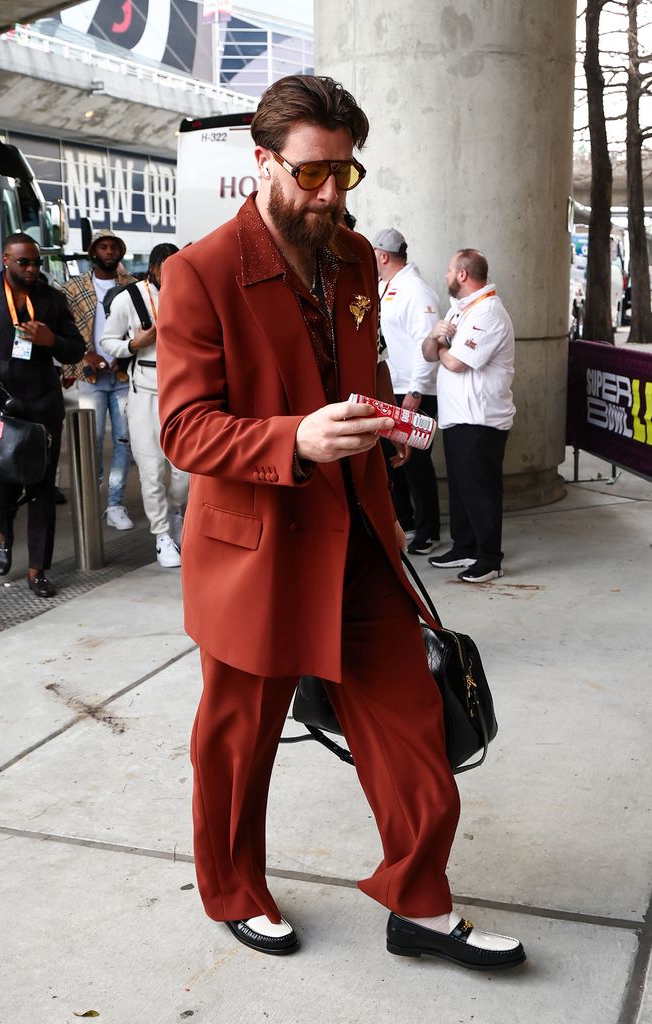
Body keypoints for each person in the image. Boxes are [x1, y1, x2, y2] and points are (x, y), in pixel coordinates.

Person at [157, 75, 524, 969]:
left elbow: (349, 381)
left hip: (359, 537)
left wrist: (381, 436)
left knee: (414, 726)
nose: (328, 195)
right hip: (257, 550)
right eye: (311, 175)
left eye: (344, 175)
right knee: (239, 742)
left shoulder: (357, 260)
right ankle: (234, 888)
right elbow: (183, 429)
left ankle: (418, 900)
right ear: (264, 164)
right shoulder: (199, 274)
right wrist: (297, 438)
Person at [0, 233, 85, 597]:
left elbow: (76, 349)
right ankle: (4, 535)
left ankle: (39, 569)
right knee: (2, 488)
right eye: (24, 262)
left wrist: (51, 340)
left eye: (36, 262)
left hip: (43, 407)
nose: (33, 268)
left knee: (42, 490)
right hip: (1, 406)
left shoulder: (52, 299)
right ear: (6, 259)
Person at [423, 249, 515, 583]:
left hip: (481, 420)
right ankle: (465, 546)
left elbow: (454, 362)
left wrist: (442, 343)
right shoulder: (459, 310)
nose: (446, 275)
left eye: (449, 270)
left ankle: (490, 558)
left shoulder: (488, 312)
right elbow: (429, 352)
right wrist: (436, 336)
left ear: (463, 274)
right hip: (458, 417)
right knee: (462, 489)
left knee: (481, 490)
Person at [100, 243, 188, 567]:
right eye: (165, 266)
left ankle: (176, 512)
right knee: (151, 469)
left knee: (185, 469)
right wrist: (133, 344)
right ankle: (162, 534)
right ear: (153, 267)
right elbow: (107, 340)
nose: (171, 272)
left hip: (181, 388)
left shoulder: (188, 292)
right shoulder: (130, 297)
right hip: (145, 390)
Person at [61, 229, 135, 530]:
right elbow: (65, 330)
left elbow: (138, 326)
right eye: (102, 247)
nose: (108, 251)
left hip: (122, 374)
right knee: (90, 441)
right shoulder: (74, 287)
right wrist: (77, 362)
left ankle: (115, 503)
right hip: (90, 375)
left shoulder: (131, 286)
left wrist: (125, 353)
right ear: (93, 252)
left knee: (123, 440)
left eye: (112, 247)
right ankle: (92, 496)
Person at [373, 227, 441, 556]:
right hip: (393, 387)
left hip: (413, 390)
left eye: (373, 254)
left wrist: (416, 390)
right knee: (393, 460)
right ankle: (407, 521)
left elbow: (425, 344)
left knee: (417, 463)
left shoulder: (416, 290)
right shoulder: (386, 286)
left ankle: (429, 531)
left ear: (383, 256)